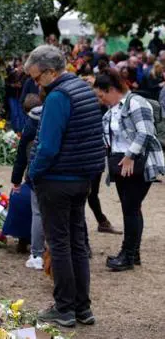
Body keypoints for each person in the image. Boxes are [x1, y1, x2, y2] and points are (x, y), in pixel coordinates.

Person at [26, 45, 105, 327]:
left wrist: (33, 173)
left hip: (58, 180)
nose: (36, 84)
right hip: (81, 178)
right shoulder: (82, 89)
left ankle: (65, 308)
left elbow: (47, 146)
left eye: (37, 78)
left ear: (50, 71)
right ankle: (82, 307)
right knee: (78, 243)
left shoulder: (59, 96)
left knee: (59, 245)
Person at [94, 68, 165, 271]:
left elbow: (146, 132)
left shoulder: (136, 103)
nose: (101, 100)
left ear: (111, 89)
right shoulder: (113, 109)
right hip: (123, 166)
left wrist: (129, 156)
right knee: (131, 209)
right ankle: (133, 254)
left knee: (131, 209)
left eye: (101, 95)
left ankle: (127, 255)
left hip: (138, 165)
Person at [10, 93, 44, 269]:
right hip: (59, 173)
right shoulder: (51, 116)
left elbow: (21, 156)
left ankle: (36, 252)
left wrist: (16, 180)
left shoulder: (29, 126)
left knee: (37, 212)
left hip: (35, 175)